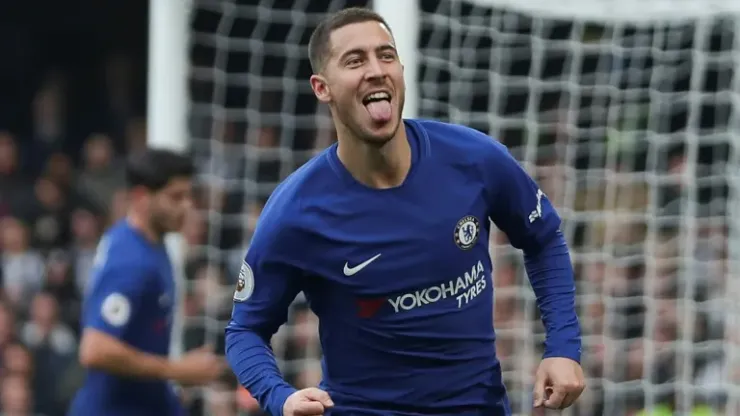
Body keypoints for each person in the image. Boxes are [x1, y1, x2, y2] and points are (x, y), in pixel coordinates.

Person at [225, 7, 585, 416]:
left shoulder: (474, 158)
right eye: (355, 61)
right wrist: (280, 397)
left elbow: (543, 239)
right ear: (322, 88)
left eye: (386, 55)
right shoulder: (296, 211)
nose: (376, 70)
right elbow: (244, 330)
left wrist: (563, 346)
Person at [68, 149, 224, 416]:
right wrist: (177, 370)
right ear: (141, 197)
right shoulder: (132, 262)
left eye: (189, 196)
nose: (187, 206)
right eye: (176, 197)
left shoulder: (145, 242)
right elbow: (94, 348)